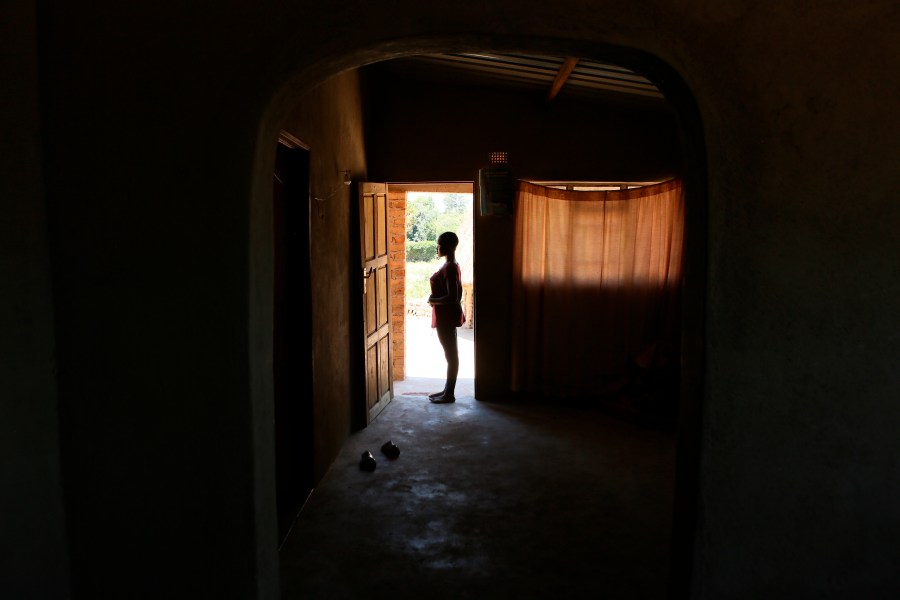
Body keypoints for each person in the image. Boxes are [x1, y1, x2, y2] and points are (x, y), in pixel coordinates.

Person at [427, 231, 465, 403]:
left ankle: (449, 394)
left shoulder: (450, 267)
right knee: (450, 355)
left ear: (448, 247)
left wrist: (432, 299)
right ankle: (447, 390)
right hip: (446, 315)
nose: (437, 247)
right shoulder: (451, 265)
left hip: (446, 317)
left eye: (440, 244)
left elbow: (454, 297)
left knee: (451, 356)